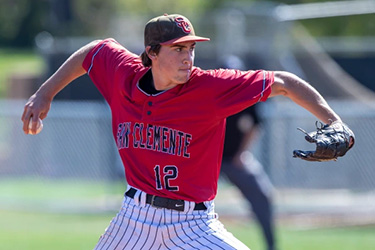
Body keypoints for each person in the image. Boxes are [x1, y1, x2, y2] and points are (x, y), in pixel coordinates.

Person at [22, 13, 353, 250]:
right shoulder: (122, 75)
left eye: (191, 48)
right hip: (134, 218)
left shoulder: (209, 87)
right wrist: (44, 93)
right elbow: (93, 51)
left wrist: (334, 121)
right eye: (178, 49)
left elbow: (283, 82)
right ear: (152, 52)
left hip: (193, 224)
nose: (188, 57)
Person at [221, 104, 276, 250]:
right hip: (208, 158)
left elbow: (254, 126)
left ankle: (271, 246)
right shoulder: (208, 89)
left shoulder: (243, 93)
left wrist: (242, 152)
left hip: (234, 159)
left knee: (263, 195)